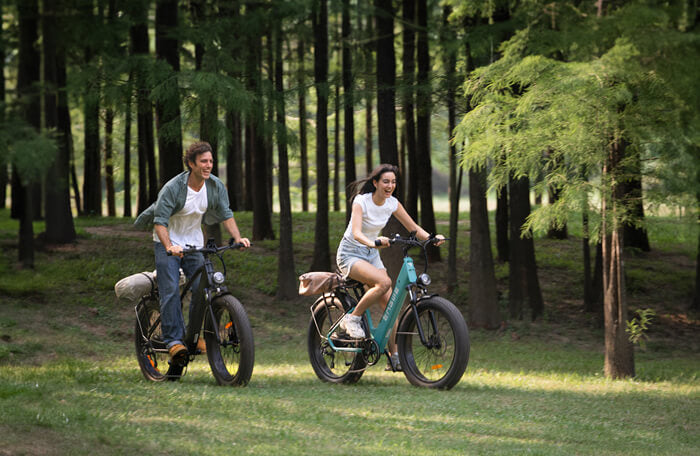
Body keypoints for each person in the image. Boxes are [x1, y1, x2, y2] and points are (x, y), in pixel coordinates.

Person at [134, 141, 250, 366]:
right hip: (166, 242)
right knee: (170, 289)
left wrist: (237, 238)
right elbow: (159, 222)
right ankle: (174, 341)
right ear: (191, 164)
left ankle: (194, 337)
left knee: (203, 289)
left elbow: (227, 214)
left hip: (194, 243)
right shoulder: (173, 188)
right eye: (204, 161)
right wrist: (169, 246)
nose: (208, 165)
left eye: (211, 161)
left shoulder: (214, 186)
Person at [336, 164, 444, 370]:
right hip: (350, 253)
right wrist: (374, 242)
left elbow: (413, 228)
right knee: (384, 282)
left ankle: (394, 356)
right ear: (375, 183)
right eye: (386, 181)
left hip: (371, 254)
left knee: (392, 306)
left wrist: (431, 238)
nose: (390, 185)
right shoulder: (361, 202)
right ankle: (352, 318)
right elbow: (357, 233)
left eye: (393, 182)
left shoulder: (392, 203)